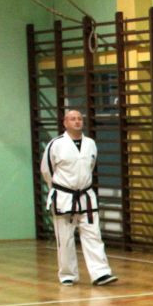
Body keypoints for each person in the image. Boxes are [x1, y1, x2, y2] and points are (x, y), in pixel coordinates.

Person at [40, 109, 118, 287]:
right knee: (65, 238)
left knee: (93, 234)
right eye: (72, 119)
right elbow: (46, 170)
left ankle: (101, 273)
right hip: (64, 196)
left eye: (79, 119)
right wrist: (59, 189)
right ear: (65, 123)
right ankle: (68, 274)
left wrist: (80, 185)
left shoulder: (90, 143)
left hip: (86, 195)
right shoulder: (56, 144)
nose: (77, 122)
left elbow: (90, 166)